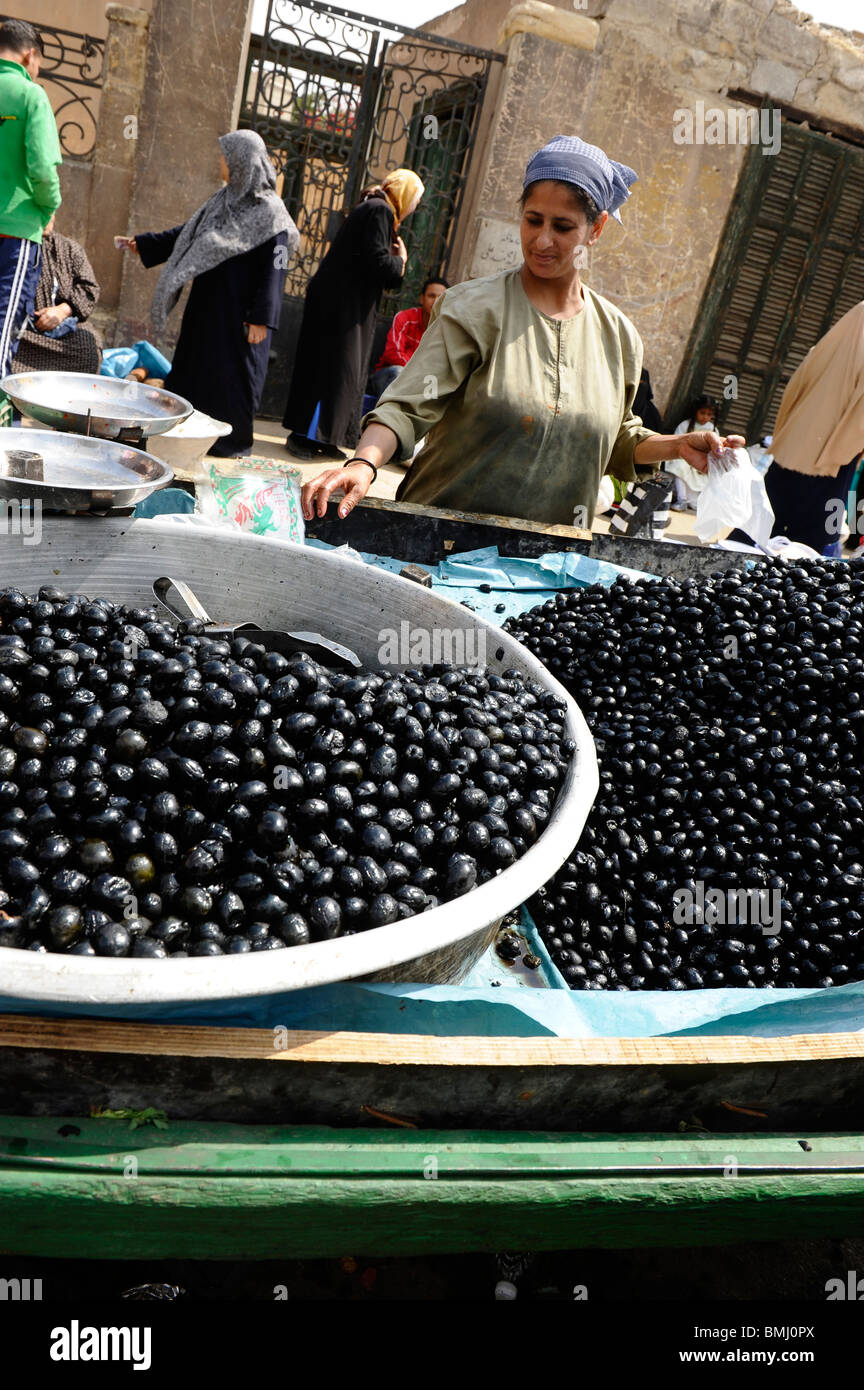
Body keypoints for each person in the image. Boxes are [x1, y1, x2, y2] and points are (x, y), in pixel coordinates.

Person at [301, 135, 744, 528]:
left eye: (563, 226)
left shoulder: (619, 337)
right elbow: (406, 406)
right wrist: (363, 463)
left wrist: (676, 445)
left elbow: (616, 438)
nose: (543, 240)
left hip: (547, 567)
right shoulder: (473, 308)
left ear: (598, 228)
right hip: (439, 546)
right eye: (533, 220)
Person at [119, 130, 298, 458]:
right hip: (208, 309)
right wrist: (145, 243)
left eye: (226, 156)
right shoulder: (221, 201)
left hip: (242, 317)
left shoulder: (272, 212)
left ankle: (230, 444)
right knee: (193, 372)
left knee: (233, 382)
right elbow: (187, 234)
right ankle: (182, 434)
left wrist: (262, 317)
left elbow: (277, 265)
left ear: (242, 162)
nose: (220, 162)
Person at [282, 168, 425, 460]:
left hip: (343, 305)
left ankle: (324, 437)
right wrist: (401, 261)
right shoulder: (380, 211)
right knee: (331, 369)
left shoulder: (374, 207)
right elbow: (377, 262)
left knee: (339, 370)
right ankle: (304, 436)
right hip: (340, 308)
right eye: (415, 200)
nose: (414, 208)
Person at [758, 302, 864, 555]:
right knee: (812, 540)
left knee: (767, 519)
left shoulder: (827, 349)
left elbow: (794, 387)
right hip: (835, 453)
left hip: (795, 446)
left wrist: (787, 430)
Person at [0, 19, 62, 378]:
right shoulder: (30, 96)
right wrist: (47, 209)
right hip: (15, 232)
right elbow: (42, 170)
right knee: (2, 330)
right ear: (30, 54)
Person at [12, 215, 100, 373]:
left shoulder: (69, 248)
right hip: (22, 333)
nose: (45, 217)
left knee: (88, 348)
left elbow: (89, 288)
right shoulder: (10, 246)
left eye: (49, 212)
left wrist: (62, 310)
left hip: (64, 330)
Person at [368, 275, 448, 402]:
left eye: (441, 298)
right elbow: (393, 353)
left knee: (438, 389)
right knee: (398, 373)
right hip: (389, 375)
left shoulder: (444, 331)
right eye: (431, 296)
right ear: (422, 299)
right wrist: (418, 373)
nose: (436, 301)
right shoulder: (405, 318)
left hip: (422, 381)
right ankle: (386, 419)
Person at [665, 394, 719, 510]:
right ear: (696, 412)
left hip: (701, 464)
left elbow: (715, 450)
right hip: (684, 459)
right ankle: (681, 499)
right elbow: (676, 443)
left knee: (694, 504)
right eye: (702, 413)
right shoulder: (685, 425)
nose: (705, 417)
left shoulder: (713, 429)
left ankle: (693, 501)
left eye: (709, 414)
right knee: (679, 467)